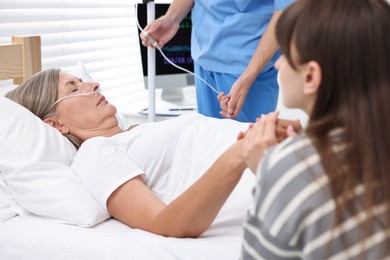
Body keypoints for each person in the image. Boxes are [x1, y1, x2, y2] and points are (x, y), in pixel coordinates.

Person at [5, 69, 301, 238]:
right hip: (286, 190)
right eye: (74, 88)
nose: (93, 84)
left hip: (295, 160)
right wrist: (238, 154)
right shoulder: (96, 154)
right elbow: (164, 223)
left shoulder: (138, 132)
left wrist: (270, 135)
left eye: (83, 80)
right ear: (55, 125)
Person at [239, 0, 390, 258]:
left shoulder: (286, 166)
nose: (277, 65)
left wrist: (272, 171)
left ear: (310, 77)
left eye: (284, 54)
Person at [140, 0, 294, 122]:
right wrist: (172, 18)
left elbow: (285, 11)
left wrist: (248, 75)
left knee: (245, 149)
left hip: (246, 63)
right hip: (204, 57)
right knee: (211, 144)